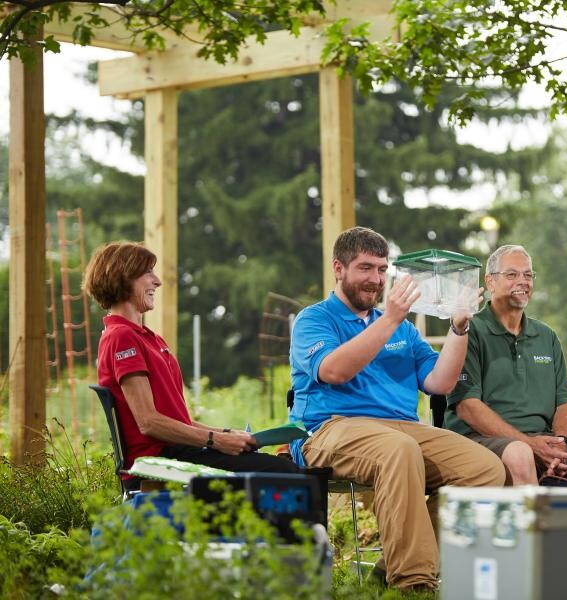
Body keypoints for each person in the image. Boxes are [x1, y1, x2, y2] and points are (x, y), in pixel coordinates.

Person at [288, 227, 505, 592]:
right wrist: (387, 319)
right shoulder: (316, 319)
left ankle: (389, 569)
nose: (375, 279)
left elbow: (441, 383)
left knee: (485, 470)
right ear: (338, 269)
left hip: (400, 428)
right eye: (365, 268)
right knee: (398, 450)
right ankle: (414, 583)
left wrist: (459, 325)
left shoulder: (403, 329)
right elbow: (334, 370)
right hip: (329, 428)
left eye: (381, 269)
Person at [84, 242, 300, 482]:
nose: (157, 281)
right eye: (148, 273)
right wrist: (216, 440)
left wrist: (228, 435)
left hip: (176, 451)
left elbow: (177, 420)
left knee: (277, 466)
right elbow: (148, 422)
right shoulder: (121, 337)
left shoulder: (148, 338)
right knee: (282, 473)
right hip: (160, 461)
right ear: (123, 278)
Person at [444, 244, 567, 488]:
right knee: (520, 454)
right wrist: (530, 445)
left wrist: (563, 444)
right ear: (490, 282)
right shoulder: (470, 330)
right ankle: (534, 527)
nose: (523, 281)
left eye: (528, 275)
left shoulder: (546, 335)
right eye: (512, 275)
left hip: (543, 443)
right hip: (484, 442)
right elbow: (467, 408)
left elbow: (565, 400)